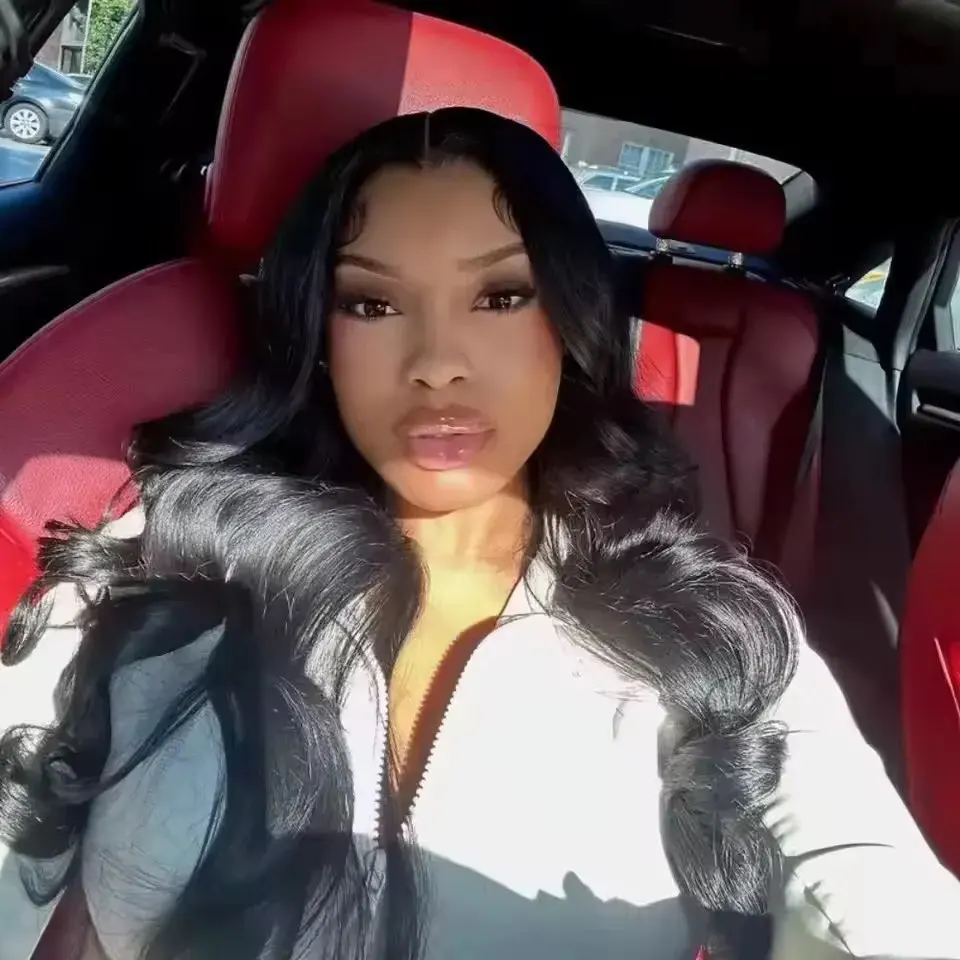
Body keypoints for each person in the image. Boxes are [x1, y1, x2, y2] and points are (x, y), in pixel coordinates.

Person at [0, 107, 957, 960]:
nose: (437, 364)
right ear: (318, 336)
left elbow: (874, 892)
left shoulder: (712, 629)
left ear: (570, 320)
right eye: (372, 303)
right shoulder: (158, 559)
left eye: (500, 295)